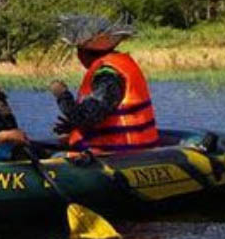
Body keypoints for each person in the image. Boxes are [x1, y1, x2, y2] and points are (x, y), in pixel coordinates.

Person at [49, 14, 159, 153]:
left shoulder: (108, 74)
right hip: (131, 149)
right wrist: (72, 126)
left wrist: (62, 95)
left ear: (82, 53)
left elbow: (88, 117)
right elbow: (100, 114)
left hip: (118, 155)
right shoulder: (118, 65)